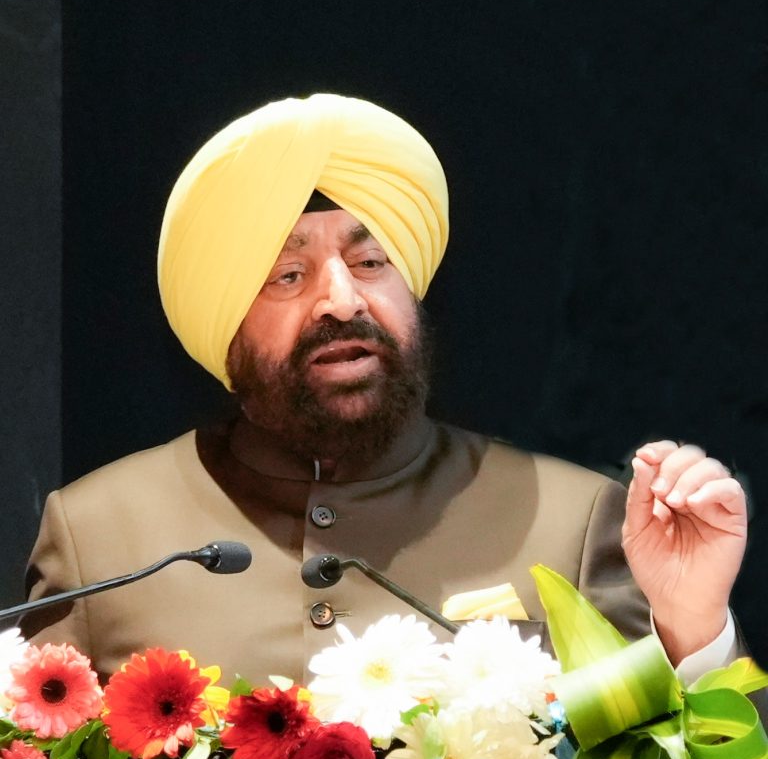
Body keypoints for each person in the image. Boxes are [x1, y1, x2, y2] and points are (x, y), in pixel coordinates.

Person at [22, 94, 750, 695]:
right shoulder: (99, 537)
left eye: (371, 261)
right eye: (288, 275)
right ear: (225, 325)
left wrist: (694, 632)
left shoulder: (573, 522)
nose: (343, 300)